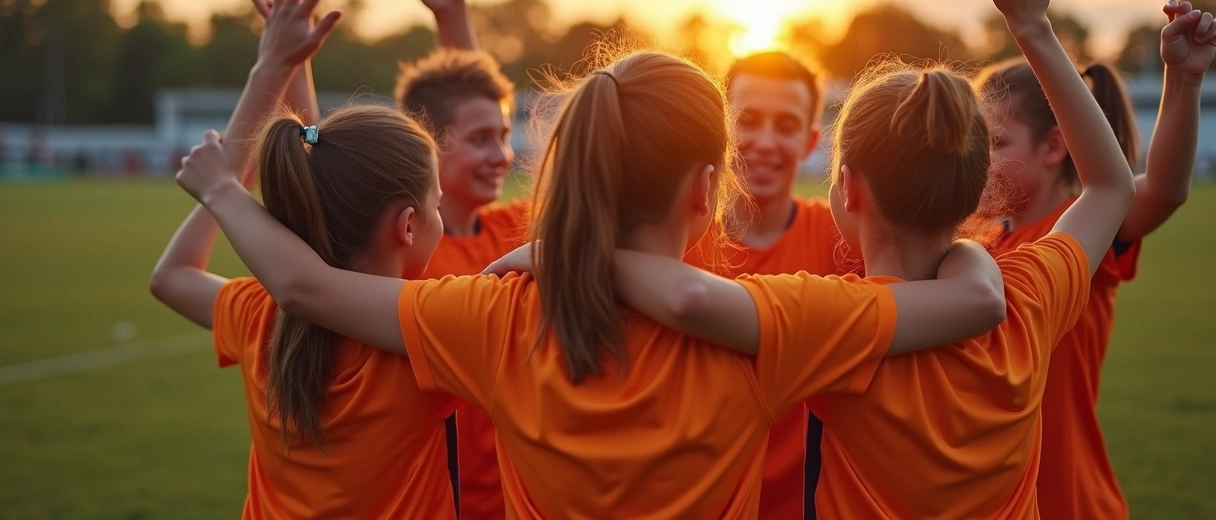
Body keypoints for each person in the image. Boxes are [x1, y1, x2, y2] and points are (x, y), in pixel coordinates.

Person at [175, 38, 1008, 517]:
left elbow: (311, 287)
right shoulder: (770, 326)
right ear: (701, 191)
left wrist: (222, 185)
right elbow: (974, 298)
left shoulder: (497, 316)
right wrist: (971, 246)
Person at [522, 0, 1137, 518]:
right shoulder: (1027, 297)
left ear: (847, 188)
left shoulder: (835, 323)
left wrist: (571, 251)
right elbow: (1110, 188)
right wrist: (1033, 28)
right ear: (975, 187)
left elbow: (693, 300)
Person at [149, 0, 460, 519]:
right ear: (408, 226)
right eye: (438, 203)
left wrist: (270, 72)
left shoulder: (261, 316)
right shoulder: (428, 328)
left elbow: (172, 278)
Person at [979, 0, 1215, 519]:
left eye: (995, 141)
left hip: (1071, 502)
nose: (978, 158)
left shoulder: (1087, 232)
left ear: (1053, 147)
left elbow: (1164, 190)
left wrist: (1183, 80)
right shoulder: (972, 248)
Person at [392, 0, 525, 518]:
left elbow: (472, 94)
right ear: (428, 144)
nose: (500, 154)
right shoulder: (407, 248)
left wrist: (452, 15)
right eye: (479, 140)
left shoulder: (510, 229)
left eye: (503, 135)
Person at [684, 50, 854, 519]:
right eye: (748, 120)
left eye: (786, 126)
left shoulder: (841, 240)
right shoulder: (672, 238)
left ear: (810, 141)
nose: (763, 142)